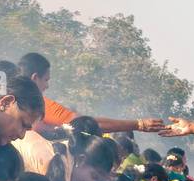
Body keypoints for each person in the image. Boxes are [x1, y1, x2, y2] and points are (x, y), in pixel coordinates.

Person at [16, 51, 164, 136]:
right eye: (46, 80)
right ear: (35, 78)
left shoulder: (7, 96)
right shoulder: (37, 103)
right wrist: (139, 124)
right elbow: (85, 124)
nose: (47, 86)